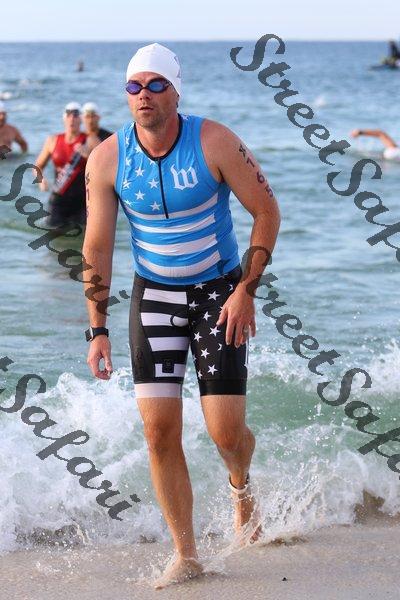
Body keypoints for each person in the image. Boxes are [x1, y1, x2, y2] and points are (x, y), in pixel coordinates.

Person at [83, 43, 280, 589]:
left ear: (175, 91)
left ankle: (241, 486)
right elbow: (96, 248)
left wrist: (246, 290)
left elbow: (267, 211)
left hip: (219, 295)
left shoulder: (214, 141)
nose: (143, 95)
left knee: (226, 433)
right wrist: (97, 328)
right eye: (134, 86)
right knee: (158, 431)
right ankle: (186, 553)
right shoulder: (107, 158)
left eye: (156, 85)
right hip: (154, 297)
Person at [35, 102, 97, 228]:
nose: (72, 119)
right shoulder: (53, 140)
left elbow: (105, 168)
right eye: (68, 115)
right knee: (53, 233)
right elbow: (38, 166)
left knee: (82, 235)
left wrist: (87, 155)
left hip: (82, 201)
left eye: (75, 115)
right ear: (64, 118)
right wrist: (41, 180)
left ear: (81, 119)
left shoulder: (91, 140)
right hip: (58, 198)